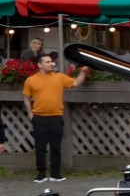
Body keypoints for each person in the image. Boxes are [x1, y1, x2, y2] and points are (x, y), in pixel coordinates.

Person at [24, 54, 87, 183]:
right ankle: (41, 174)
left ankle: (55, 173)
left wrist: (83, 72)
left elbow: (76, 83)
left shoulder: (59, 77)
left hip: (56, 117)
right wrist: (30, 113)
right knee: (40, 147)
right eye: (47, 62)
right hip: (39, 118)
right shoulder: (31, 80)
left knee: (56, 147)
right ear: (40, 65)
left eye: (51, 62)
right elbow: (26, 98)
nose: (51, 64)